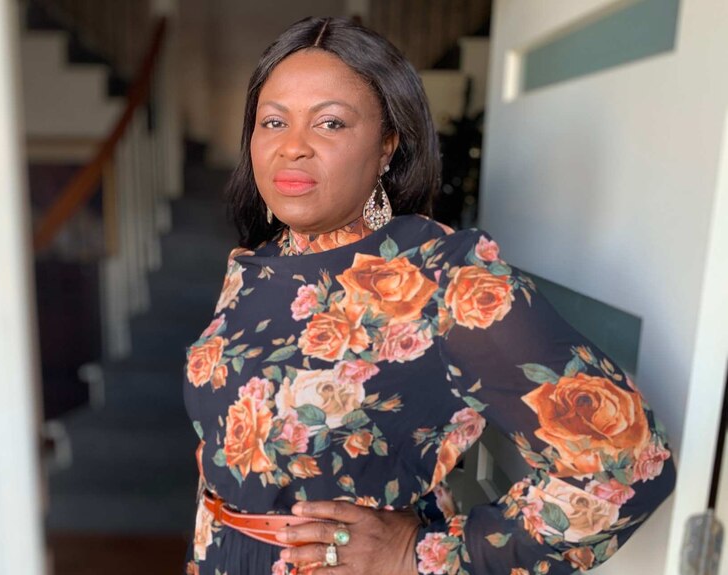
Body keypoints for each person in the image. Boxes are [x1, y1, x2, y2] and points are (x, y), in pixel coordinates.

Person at [183, 16, 676, 575]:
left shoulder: (445, 278)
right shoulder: (256, 263)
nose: (292, 147)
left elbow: (626, 467)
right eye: (273, 121)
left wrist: (417, 556)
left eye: (330, 124)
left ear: (387, 144)